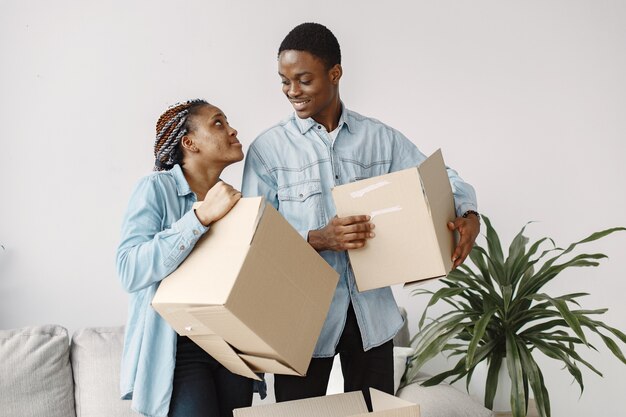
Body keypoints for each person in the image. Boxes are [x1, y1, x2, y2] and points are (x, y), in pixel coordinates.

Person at [241, 23, 480, 409]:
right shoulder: (267, 150)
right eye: (284, 81)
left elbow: (441, 179)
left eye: (303, 79)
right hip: (302, 322)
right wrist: (319, 238)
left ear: (334, 73)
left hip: (372, 319)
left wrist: (469, 213)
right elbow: (252, 239)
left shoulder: (380, 139)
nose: (292, 92)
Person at [116, 99, 254, 417]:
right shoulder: (155, 189)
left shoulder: (236, 201)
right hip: (178, 351)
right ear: (189, 142)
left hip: (232, 346)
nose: (232, 130)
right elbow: (129, 269)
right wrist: (199, 218)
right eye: (218, 123)